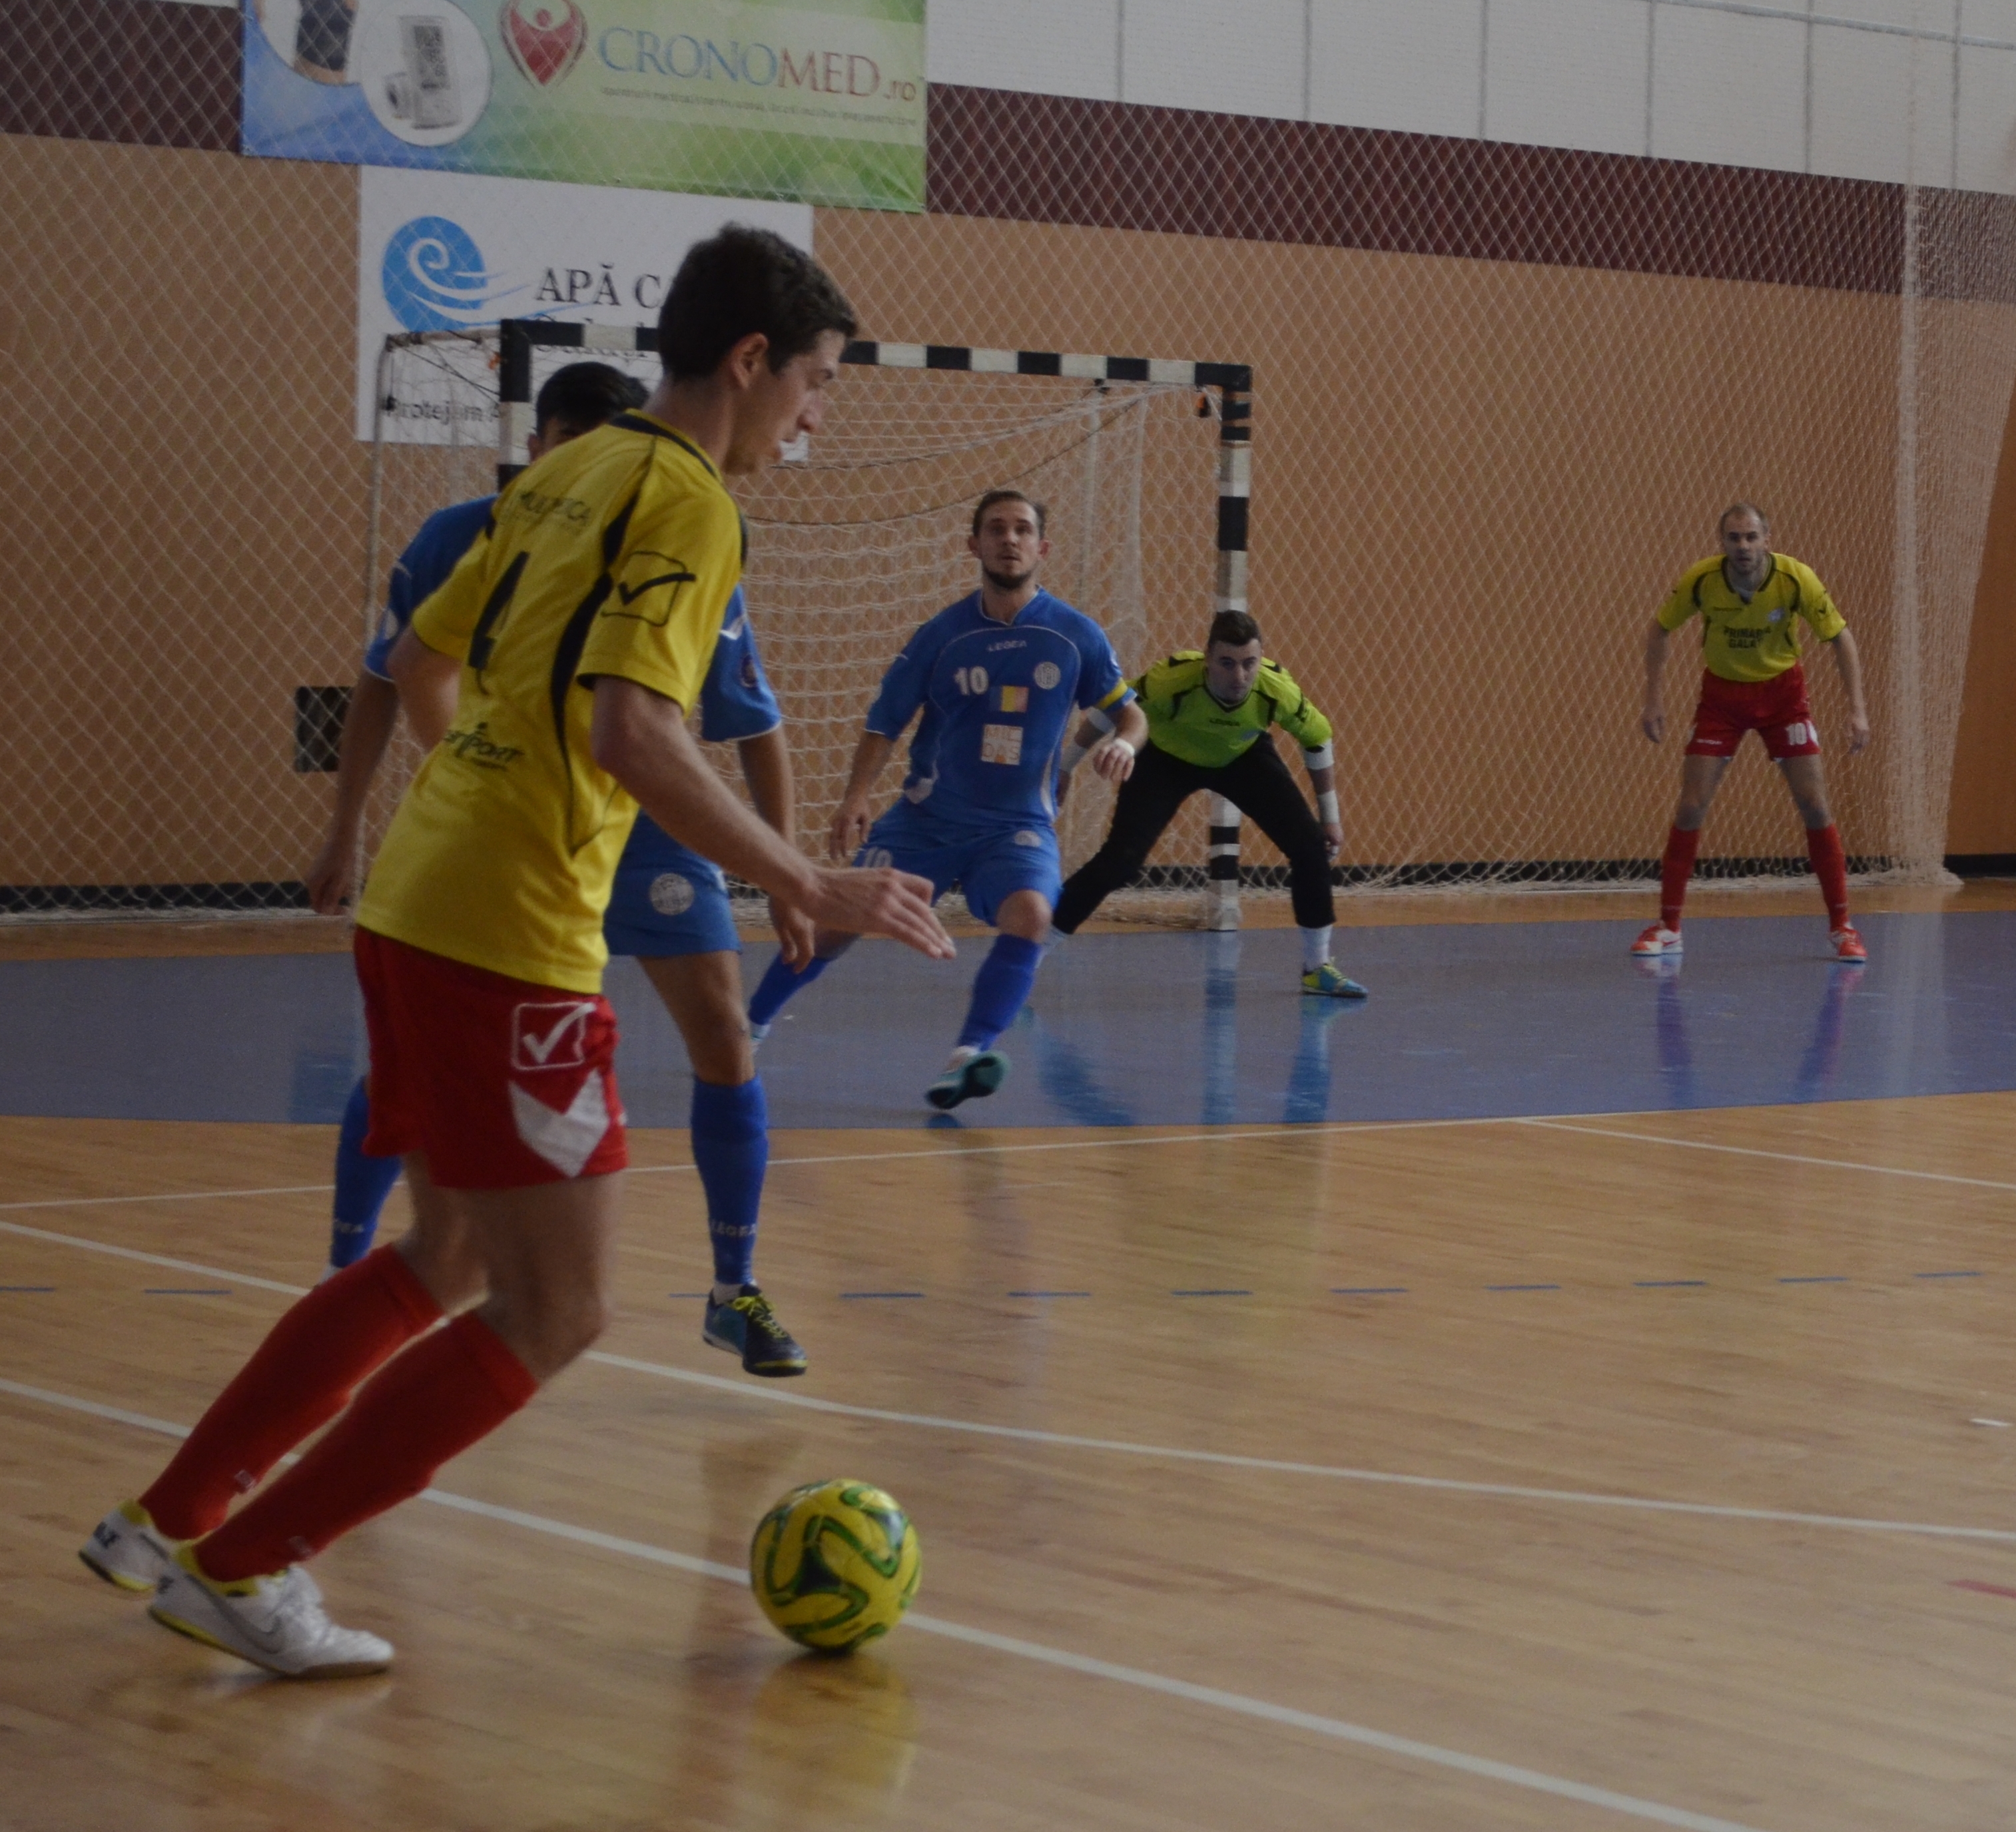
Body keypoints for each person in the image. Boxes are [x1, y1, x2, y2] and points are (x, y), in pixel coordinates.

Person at [78, 225, 950, 1679]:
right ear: (751, 362)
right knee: (564, 1303)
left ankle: (166, 1515)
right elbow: (633, 728)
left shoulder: (562, 468)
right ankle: (244, 1560)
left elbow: (422, 656)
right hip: (509, 930)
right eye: (814, 381)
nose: (815, 415)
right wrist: (803, 873)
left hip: (423, 890)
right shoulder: (684, 499)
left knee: (452, 1250)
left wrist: (484, 785)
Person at [306, 364, 812, 1379]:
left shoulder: (678, 526)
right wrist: (345, 824)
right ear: (538, 450)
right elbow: (387, 674)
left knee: (722, 1034)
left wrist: (788, 868)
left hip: (646, 816)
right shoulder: (467, 531)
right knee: (409, 1069)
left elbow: (753, 721)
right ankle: (344, 1269)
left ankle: (732, 1286)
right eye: (564, 446)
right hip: (513, 824)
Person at [743, 488, 1146, 1110]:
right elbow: (885, 722)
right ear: (973, 545)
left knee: (1032, 916)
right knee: (830, 929)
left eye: (1021, 529)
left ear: (1042, 547)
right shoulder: (941, 636)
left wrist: (1127, 743)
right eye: (995, 529)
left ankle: (968, 1054)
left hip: (1016, 825)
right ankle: (751, 1029)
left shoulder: (1075, 637)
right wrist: (855, 796)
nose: (1008, 539)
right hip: (926, 821)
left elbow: (1131, 715)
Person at [1049, 610, 1367, 999]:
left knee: (1309, 846)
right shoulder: (1172, 680)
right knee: (1121, 861)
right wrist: (1063, 769)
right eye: (1227, 664)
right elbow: (1109, 712)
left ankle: (1317, 968)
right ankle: (1027, 953)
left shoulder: (1275, 690)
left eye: (1250, 664)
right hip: (1166, 759)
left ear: (1261, 659)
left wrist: (1329, 819)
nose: (1239, 677)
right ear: (1207, 660)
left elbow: (1318, 740)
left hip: (1241, 757)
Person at [1634, 503, 1871, 961]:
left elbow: (1840, 637)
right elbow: (1659, 629)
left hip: (1783, 697)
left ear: (1767, 539)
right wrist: (1652, 699)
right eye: (1733, 538)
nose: (1742, 546)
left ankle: (1842, 926)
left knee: (1815, 805)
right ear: (1720, 542)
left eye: (1750, 537)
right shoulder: (1701, 580)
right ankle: (1668, 925)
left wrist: (1856, 710)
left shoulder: (1795, 578)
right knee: (1689, 805)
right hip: (1721, 699)